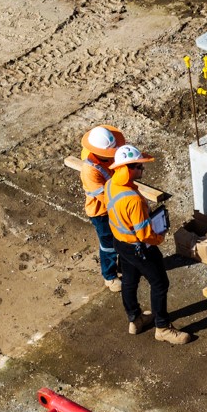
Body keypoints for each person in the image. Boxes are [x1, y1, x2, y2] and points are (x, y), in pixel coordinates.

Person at [105, 145, 193, 345]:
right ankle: (162, 328)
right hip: (139, 248)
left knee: (129, 281)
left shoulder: (111, 184)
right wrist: (160, 237)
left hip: (120, 243)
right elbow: (145, 235)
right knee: (160, 284)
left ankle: (135, 320)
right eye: (139, 167)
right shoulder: (133, 200)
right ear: (128, 168)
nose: (143, 171)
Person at [81, 125, 125, 293]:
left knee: (120, 239)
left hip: (113, 203)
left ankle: (122, 267)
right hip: (102, 211)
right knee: (108, 244)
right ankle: (110, 276)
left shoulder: (105, 156)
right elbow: (104, 197)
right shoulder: (90, 170)